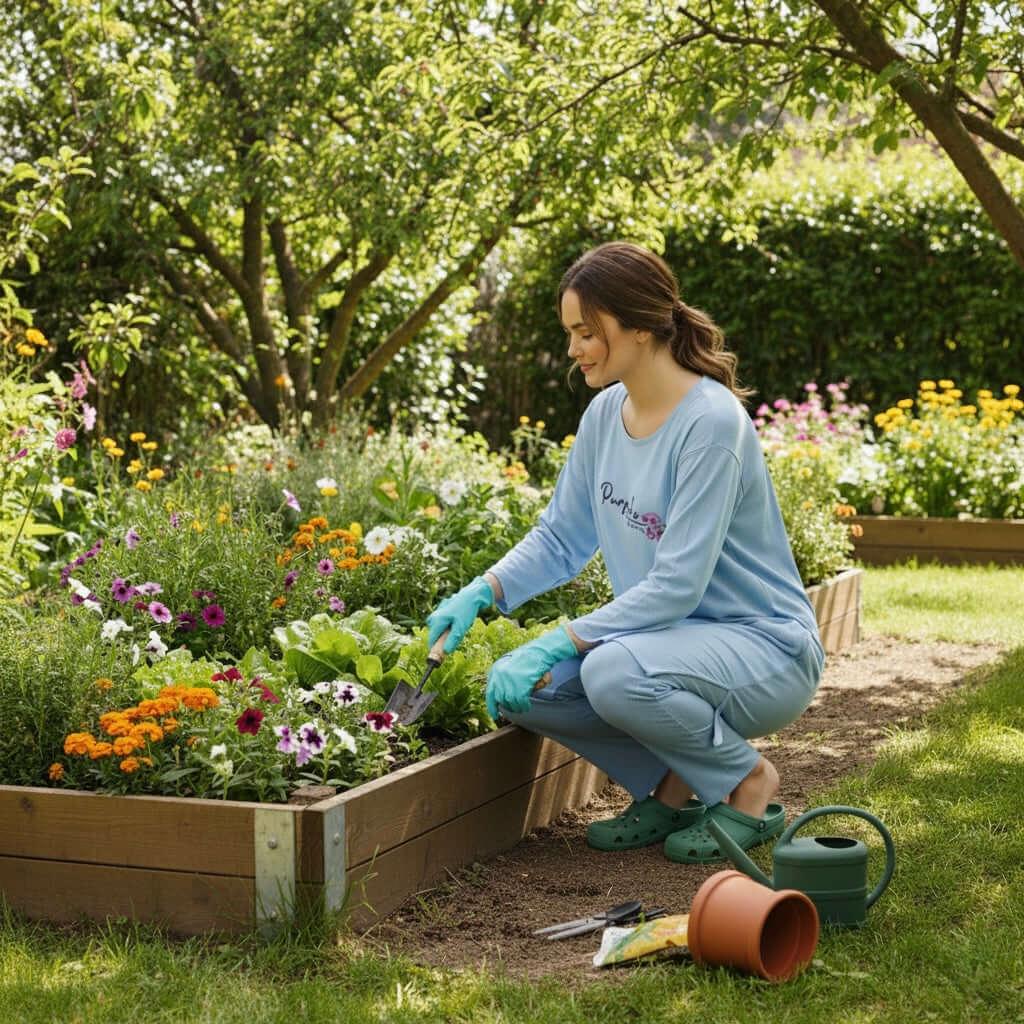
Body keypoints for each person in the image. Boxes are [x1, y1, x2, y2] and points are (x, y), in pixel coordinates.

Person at [425, 241, 825, 864]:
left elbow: (677, 588)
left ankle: (749, 784)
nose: (574, 349)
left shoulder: (710, 425)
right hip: (668, 648)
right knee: (531, 691)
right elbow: (562, 538)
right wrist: (485, 591)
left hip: (763, 648)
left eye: (587, 332)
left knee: (610, 673)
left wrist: (558, 639)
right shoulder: (605, 414)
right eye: (571, 333)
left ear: (639, 325)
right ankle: (673, 786)